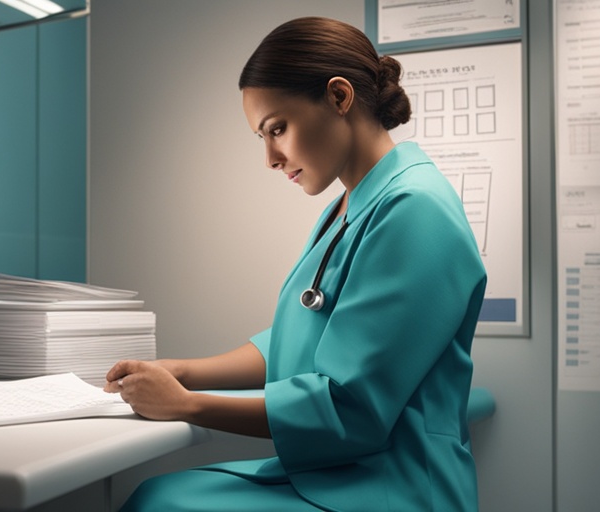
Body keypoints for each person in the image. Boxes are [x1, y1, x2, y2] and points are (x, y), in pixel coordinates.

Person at [103, 16, 487, 512]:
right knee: (158, 495)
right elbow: (299, 341)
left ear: (339, 97)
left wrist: (186, 405)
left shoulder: (415, 210)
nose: (270, 158)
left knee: (160, 504)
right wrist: (182, 372)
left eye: (277, 129)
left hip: (395, 486)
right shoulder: (351, 205)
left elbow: (351, 408)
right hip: (345, 473)